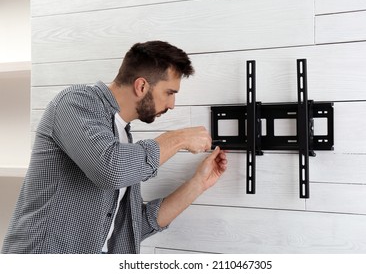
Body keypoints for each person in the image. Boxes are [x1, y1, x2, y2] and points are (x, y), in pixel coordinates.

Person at [2, 41, 227, 254]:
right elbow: (111, 169)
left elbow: (133, 227)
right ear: (141, 86)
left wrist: (199, 183)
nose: (172, 105)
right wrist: (178, 138)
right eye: (169, 93)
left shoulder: (123, 138)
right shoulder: (75, 103)